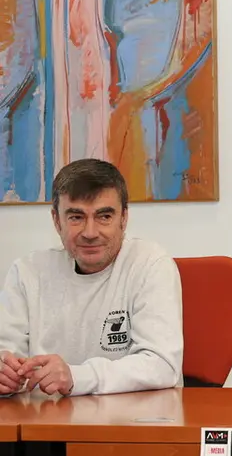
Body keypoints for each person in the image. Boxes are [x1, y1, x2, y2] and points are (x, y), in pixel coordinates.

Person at [0, 158, 184, 398]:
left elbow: (162, 365)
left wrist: (76, 376)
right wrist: (6, 375)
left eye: (104, 216)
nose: (90, 232)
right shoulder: (27, 272)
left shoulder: (150, 264)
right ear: (57, 221)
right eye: (76, 217)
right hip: (44, 416)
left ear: (124, 218)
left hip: (133, 417)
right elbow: (7, 355)